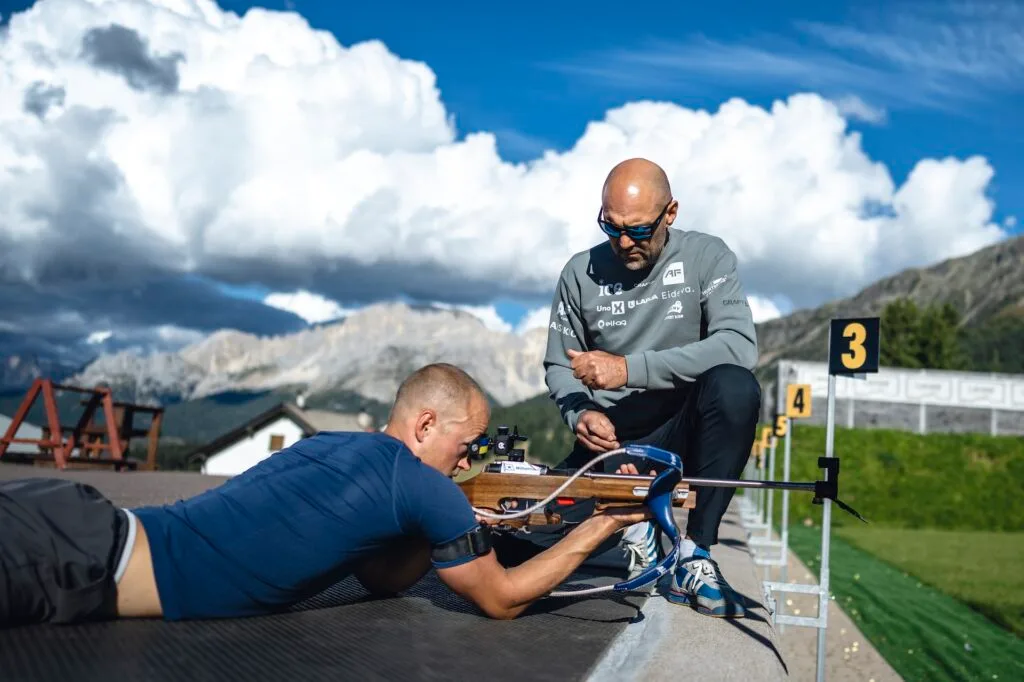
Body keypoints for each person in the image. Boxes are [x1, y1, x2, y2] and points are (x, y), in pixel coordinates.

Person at [0, 363, 650, 627]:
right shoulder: (423, 486)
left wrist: (446, 529)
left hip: (77, 525)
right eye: (469, 443)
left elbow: (381, 576)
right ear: (426, 425)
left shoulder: (335, 447)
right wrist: (601, 525)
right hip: (81, 558)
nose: (469, 459)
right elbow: (502, 600)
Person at [543, 157, 762, 618]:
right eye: (611, 226)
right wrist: (581, 413)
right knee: (516, 549)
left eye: (639, 230)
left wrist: (629, 369)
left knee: (735, 387)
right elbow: (560, 364)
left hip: (680, 430)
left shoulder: (708, 256)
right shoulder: (578, 273)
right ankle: (634, 522)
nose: (624, 242)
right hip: (610, 443)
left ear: (671, 213)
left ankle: (694, 554)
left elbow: (738, 346)